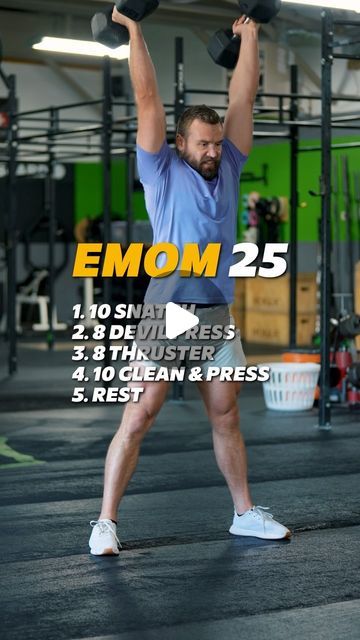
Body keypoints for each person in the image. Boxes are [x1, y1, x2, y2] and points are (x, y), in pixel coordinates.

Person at [89, 10, 291, 555]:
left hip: (215, 312)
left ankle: (243, 513)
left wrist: (249, 37)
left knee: (227, 415)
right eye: (202, 143)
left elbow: (242, 100)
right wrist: (134, 32)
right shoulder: (159, 169)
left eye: (216, 143)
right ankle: (105, 522)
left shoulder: (228, 165)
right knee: (139, 415)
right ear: (180, 143)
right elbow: (148, 99)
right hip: (169, 309)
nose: (212, 151)